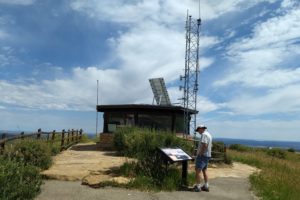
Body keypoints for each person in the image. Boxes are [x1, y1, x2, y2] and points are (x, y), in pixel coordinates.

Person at [193, 125, 212, 192]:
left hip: (202, 156)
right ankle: (206, 186)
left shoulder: (204, 135)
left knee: (198, 171)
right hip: (207, 156)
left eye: (198, 130)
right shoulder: (209, 134)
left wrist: (200, 154)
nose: (198, 132)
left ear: (201, 129)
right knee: (204, 170)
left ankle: (198, 186)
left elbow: (205, 145)